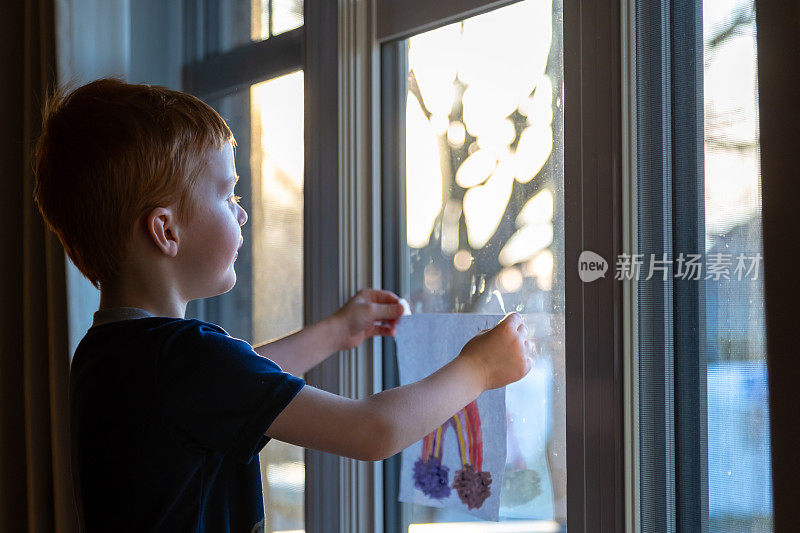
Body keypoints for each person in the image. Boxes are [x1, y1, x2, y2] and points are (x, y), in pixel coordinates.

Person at [33, 78, 533, 532]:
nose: (244, 212)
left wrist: (337, 331)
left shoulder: (109, 354)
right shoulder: (183, 357)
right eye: (228, 195)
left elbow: (237, 385)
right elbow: (371, 431)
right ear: (166, 230)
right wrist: (480, 368)